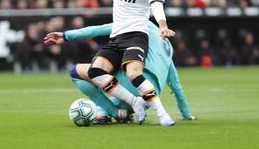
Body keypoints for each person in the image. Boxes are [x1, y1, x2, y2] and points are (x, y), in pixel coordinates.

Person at [69, 0, 176, 126]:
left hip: (136, 35)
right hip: (116, 37)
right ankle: (135, 102)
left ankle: (163, 115)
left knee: (134, 73)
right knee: (95, 71)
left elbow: (156, 4)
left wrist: (162, 26)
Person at [44, 21, 196, 124]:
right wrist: (186, 114)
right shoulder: (168, 47)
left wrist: (66, 35)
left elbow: (97, 30)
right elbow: (176, 86)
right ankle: (112, 112)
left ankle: (112, 112)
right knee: (119, 79)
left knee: (78, 72)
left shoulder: (136, 22)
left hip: (131, 83)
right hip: (150, 98)